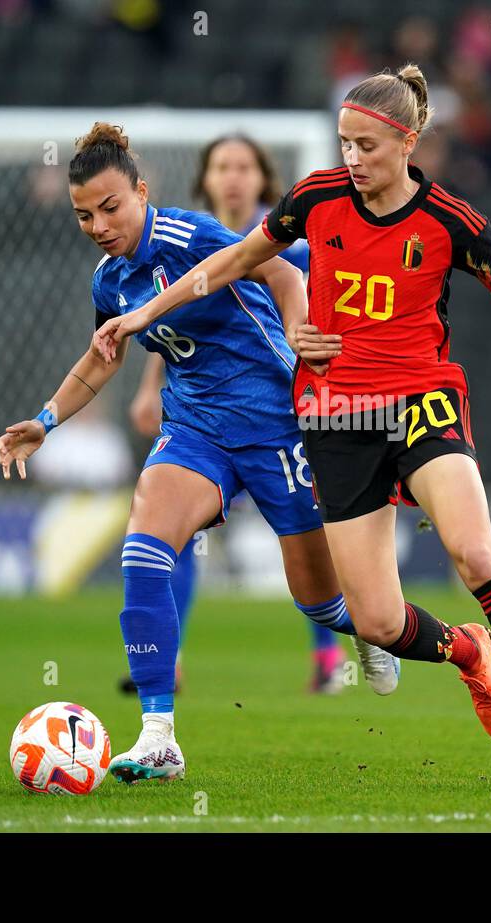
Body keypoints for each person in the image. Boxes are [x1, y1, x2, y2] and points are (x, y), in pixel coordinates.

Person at [93, 65, 491, 781]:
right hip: (336, 420)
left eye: (366, 146)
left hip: (423, 404)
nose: (352, 160)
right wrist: (149, 312)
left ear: (409, 142)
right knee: (374, 622)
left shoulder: (453, 223)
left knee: (475, 553)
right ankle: (467, 652)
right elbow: (238, 259)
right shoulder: (315, 199)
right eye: (344, 144)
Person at [0, 123, 400, 784]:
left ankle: (370, 630)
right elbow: (103, 360)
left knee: (318, 602)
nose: (98, 224)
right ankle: (159, 734)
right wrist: (46, 420)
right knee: (143, 548)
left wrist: (301, 339)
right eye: (83, 215)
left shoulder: (193, 236)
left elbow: (279, 272)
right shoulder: (110, 280)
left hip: (275, 424)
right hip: (196, 431)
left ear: (142, 192)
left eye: (110, 208)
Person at [123, 134, 346, 695]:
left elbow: (309, 310)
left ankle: (340, 643)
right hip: (204, 422)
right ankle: (166, 661)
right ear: (206, 178)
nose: (232, 177)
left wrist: (312, 372)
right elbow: (173, 332)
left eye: (244, 166)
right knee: (172, 531)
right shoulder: (184, 243)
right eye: (222, 166)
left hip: (278, 412)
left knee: (304, 542)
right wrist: (150, 389)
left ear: (263, 179)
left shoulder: (288, 246)